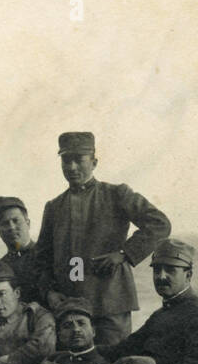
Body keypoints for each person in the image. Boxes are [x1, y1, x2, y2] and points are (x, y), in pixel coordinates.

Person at [33, 131, 171, 347]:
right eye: (66, 160)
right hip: (70, 309)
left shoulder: (116, 194)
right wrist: (49, 292)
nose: (72, 167)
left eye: (78, 160)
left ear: (94, 162)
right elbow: (41, 258)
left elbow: (159, 224)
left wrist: (125, 254)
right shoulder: (54, 207)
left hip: (110, 302)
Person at [0, 196, 43, 301]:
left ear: (28, 223)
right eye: (5, 223)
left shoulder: (47, 256)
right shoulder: (0, 268)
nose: (12, 227)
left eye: (16, 221)